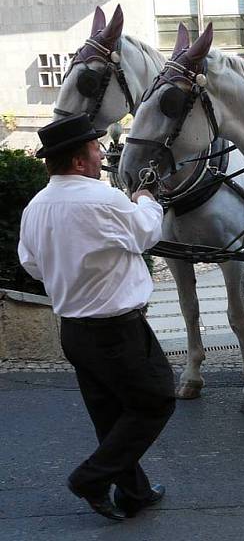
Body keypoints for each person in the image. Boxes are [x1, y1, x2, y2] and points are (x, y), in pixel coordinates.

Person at [17, 114, 174, 522]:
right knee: (156, 401)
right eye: (94, 147)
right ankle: (91, 478)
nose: (101, 151)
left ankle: (134, 492)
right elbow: (145, 234)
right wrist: (146, 199)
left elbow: (32, 264)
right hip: (116, 329)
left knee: (110, 414)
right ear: (78, 162)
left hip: (74, 329)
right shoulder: (102, 199)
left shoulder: (35, 207)